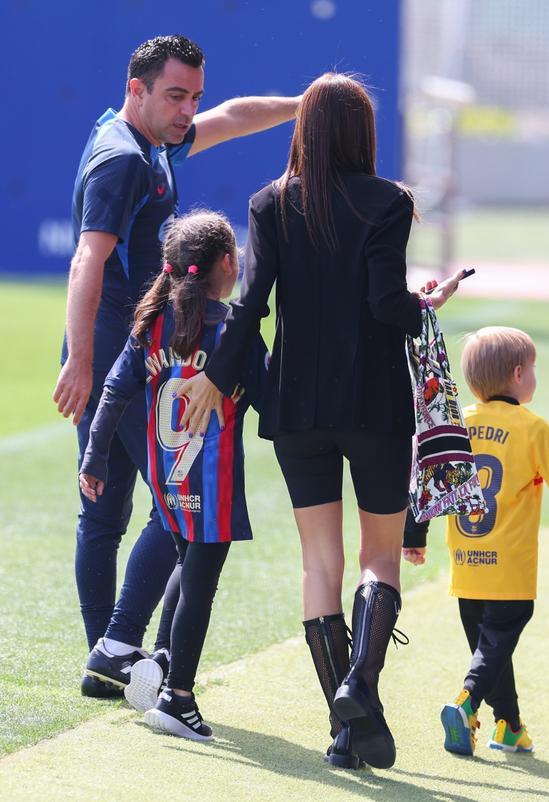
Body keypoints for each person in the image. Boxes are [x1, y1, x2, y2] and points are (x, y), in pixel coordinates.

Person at [174, 73, 466, 769]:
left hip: (295, 407)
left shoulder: (270, 202)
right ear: (362, 132)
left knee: (319, 563)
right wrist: (429, 301)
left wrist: (217, 376)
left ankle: (346, 731)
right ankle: (360, 689)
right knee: (380, 558)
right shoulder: (388, 202)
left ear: (304, 130)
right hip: (374, 403)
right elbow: (383, 304)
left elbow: (250, 307)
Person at [52, 34, 300, 697]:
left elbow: (235, 116)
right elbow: (87, 260)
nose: (190, 109)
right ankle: (122, 650)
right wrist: (81, 361)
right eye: (175, 95)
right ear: (136, 89)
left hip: (127, 356)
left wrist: (305, 104)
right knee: (180, 512)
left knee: (109, 513)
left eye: (193, 95)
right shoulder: (125, 161)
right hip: (123, 363)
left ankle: (108, 660)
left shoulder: (150, 140)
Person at [79, 210, 267, 740]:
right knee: (200, 582)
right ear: (227, 263)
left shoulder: (151, 325)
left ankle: (161, 657)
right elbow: (271, 404)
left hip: (167, 480)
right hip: (213, 480)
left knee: (187, 567)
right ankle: (178, 698)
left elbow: (113, 391)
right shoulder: (233, 329)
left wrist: (93, 457)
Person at [403, 326, 549, 756]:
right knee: (495, 646)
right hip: (510, 567)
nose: (535, 374)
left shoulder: (458, 422)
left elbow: (428, 482)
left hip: (466, 564)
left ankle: (509, 726)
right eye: (533, 367)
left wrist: (414, 535)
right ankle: (466, 701)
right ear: (518, 374)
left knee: (491, 650)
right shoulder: (532, 428)